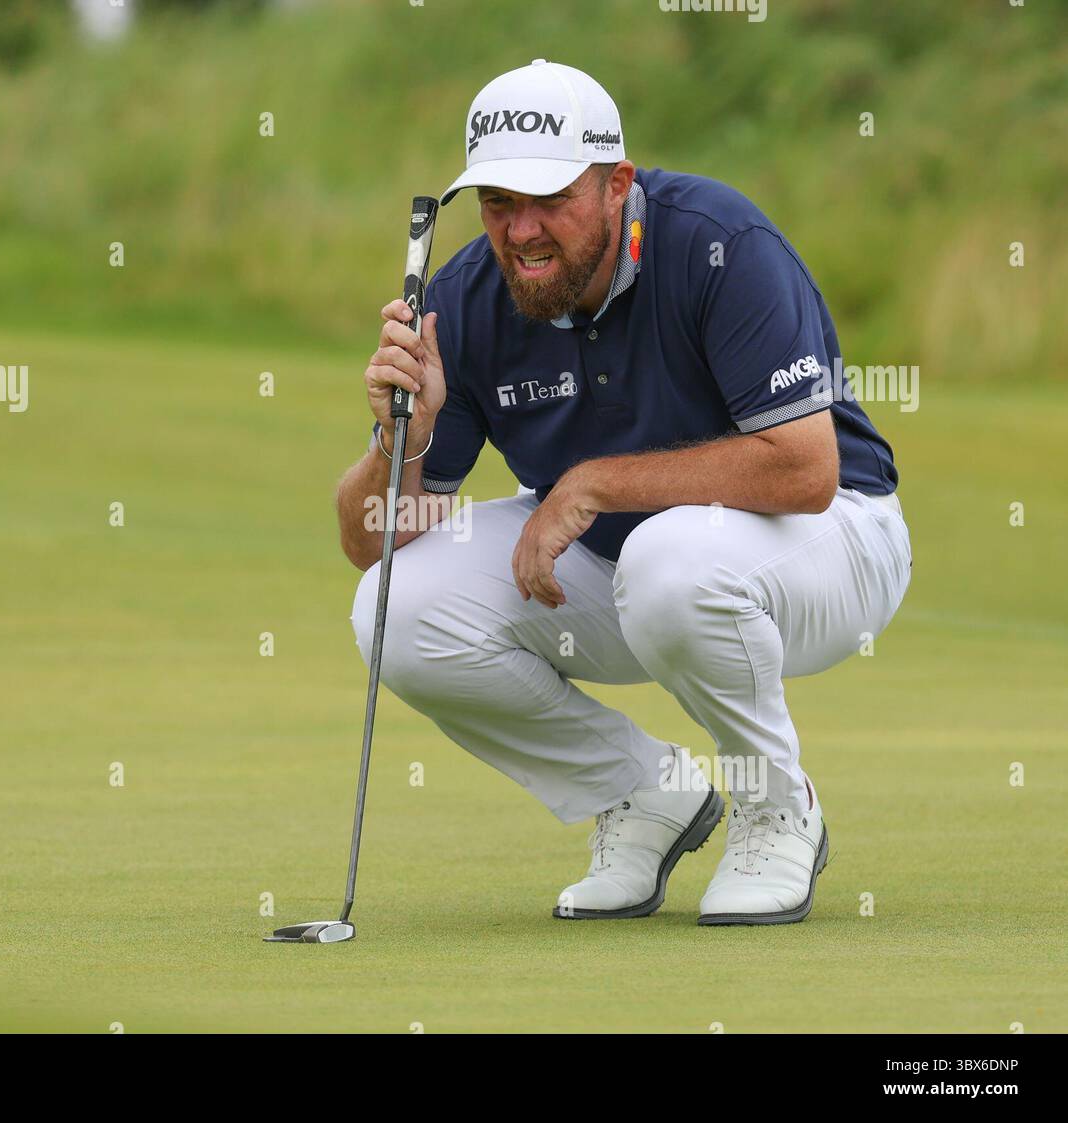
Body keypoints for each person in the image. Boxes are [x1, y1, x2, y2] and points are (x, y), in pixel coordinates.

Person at [335, 60, 911, 926]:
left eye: (549, 201)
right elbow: (374, 535)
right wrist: (399, 442)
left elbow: (806, 469)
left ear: (616, 184)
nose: (521, 231)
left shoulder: (720, 242)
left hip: (835, 540)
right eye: (497, 202)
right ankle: (647, 793)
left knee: (670, 558)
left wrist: (597, 484)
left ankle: (776, 806)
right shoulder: (463, 297)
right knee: (393, 605)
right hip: (628, 564)